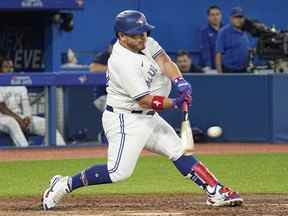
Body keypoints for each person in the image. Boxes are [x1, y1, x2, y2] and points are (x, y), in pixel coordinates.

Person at [42, 10, 243, 210]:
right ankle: (64, 184)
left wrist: (180, 81)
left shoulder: (148, 43)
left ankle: (215, 191)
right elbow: (145, 100)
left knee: (178, 151)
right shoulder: (121, 61)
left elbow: (165, 61)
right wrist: (174, 102)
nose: (141, 38)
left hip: (149, 118)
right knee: (118, 173)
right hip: (125, 119)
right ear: (121, 36)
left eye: (143, 33)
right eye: (135, 34)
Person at [0, 56, 66, 147]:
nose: (9, 70)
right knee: (12, 122)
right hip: (2, 118)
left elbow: (26, 105)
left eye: (11, 67)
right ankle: (25, 151)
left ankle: (59, 150)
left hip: (19, 116)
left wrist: (27, 118)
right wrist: (19, 120)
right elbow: (2, 108)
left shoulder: (18, 83)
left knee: (46, 124)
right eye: (6, 67)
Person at [215, 7, 250, 73]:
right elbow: (218, 54)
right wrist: (219, 74)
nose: (239, 20)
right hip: (229, 70)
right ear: (231, 19)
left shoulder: (245, 31)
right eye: (236, 17)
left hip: (243, 70)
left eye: (240, 17)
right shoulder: (223, 32)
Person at [200, 5, 223, 71]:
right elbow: (205, 49)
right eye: (212, 15)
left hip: (225, 68)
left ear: (221, 16)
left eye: (217, 14)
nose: (215, 17)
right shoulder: (204, 32)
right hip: (210, 68)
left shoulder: (226, 30)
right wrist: (208, 66)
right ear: (208, 17)